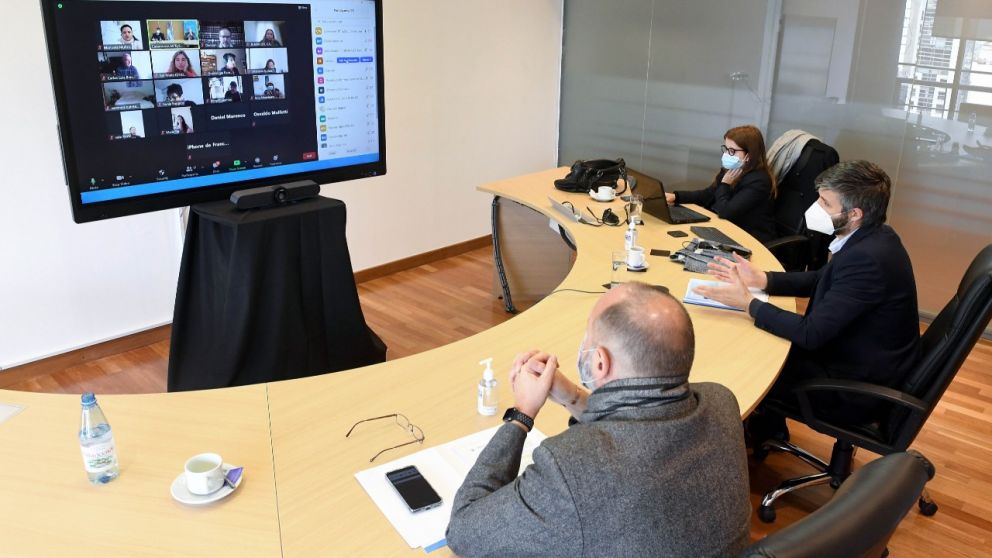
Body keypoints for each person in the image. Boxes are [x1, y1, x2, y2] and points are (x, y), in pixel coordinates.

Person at [446, 282, 751, 558]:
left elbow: (464, 530)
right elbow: (635, 425)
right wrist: (572, 396)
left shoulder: (570, 466)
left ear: (600, 362)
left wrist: (521, 414)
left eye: (588, 336)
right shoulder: (721, 402)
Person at [694, 160, 920, 440]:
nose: (815, 207)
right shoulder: (875, 235)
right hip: (853, 357)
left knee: (746, 359)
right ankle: (768, 429)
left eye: (825, 203)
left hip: (849, 389)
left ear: (854, 214)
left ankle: (735, 438)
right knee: (761, 338)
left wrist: (748, 303)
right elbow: (821, 278)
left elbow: (810, 333)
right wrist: (763, 279)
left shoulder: (867, 259)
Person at [666, 125, 777, 243]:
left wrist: (725, 184)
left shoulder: (759, 181)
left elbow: (726, 212)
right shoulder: (732, 170)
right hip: (728, 231)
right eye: (726, 149)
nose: (727, 154)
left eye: (732, 151)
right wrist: (676, 196)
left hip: (751, 239)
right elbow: (708, 194)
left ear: (749, 155)